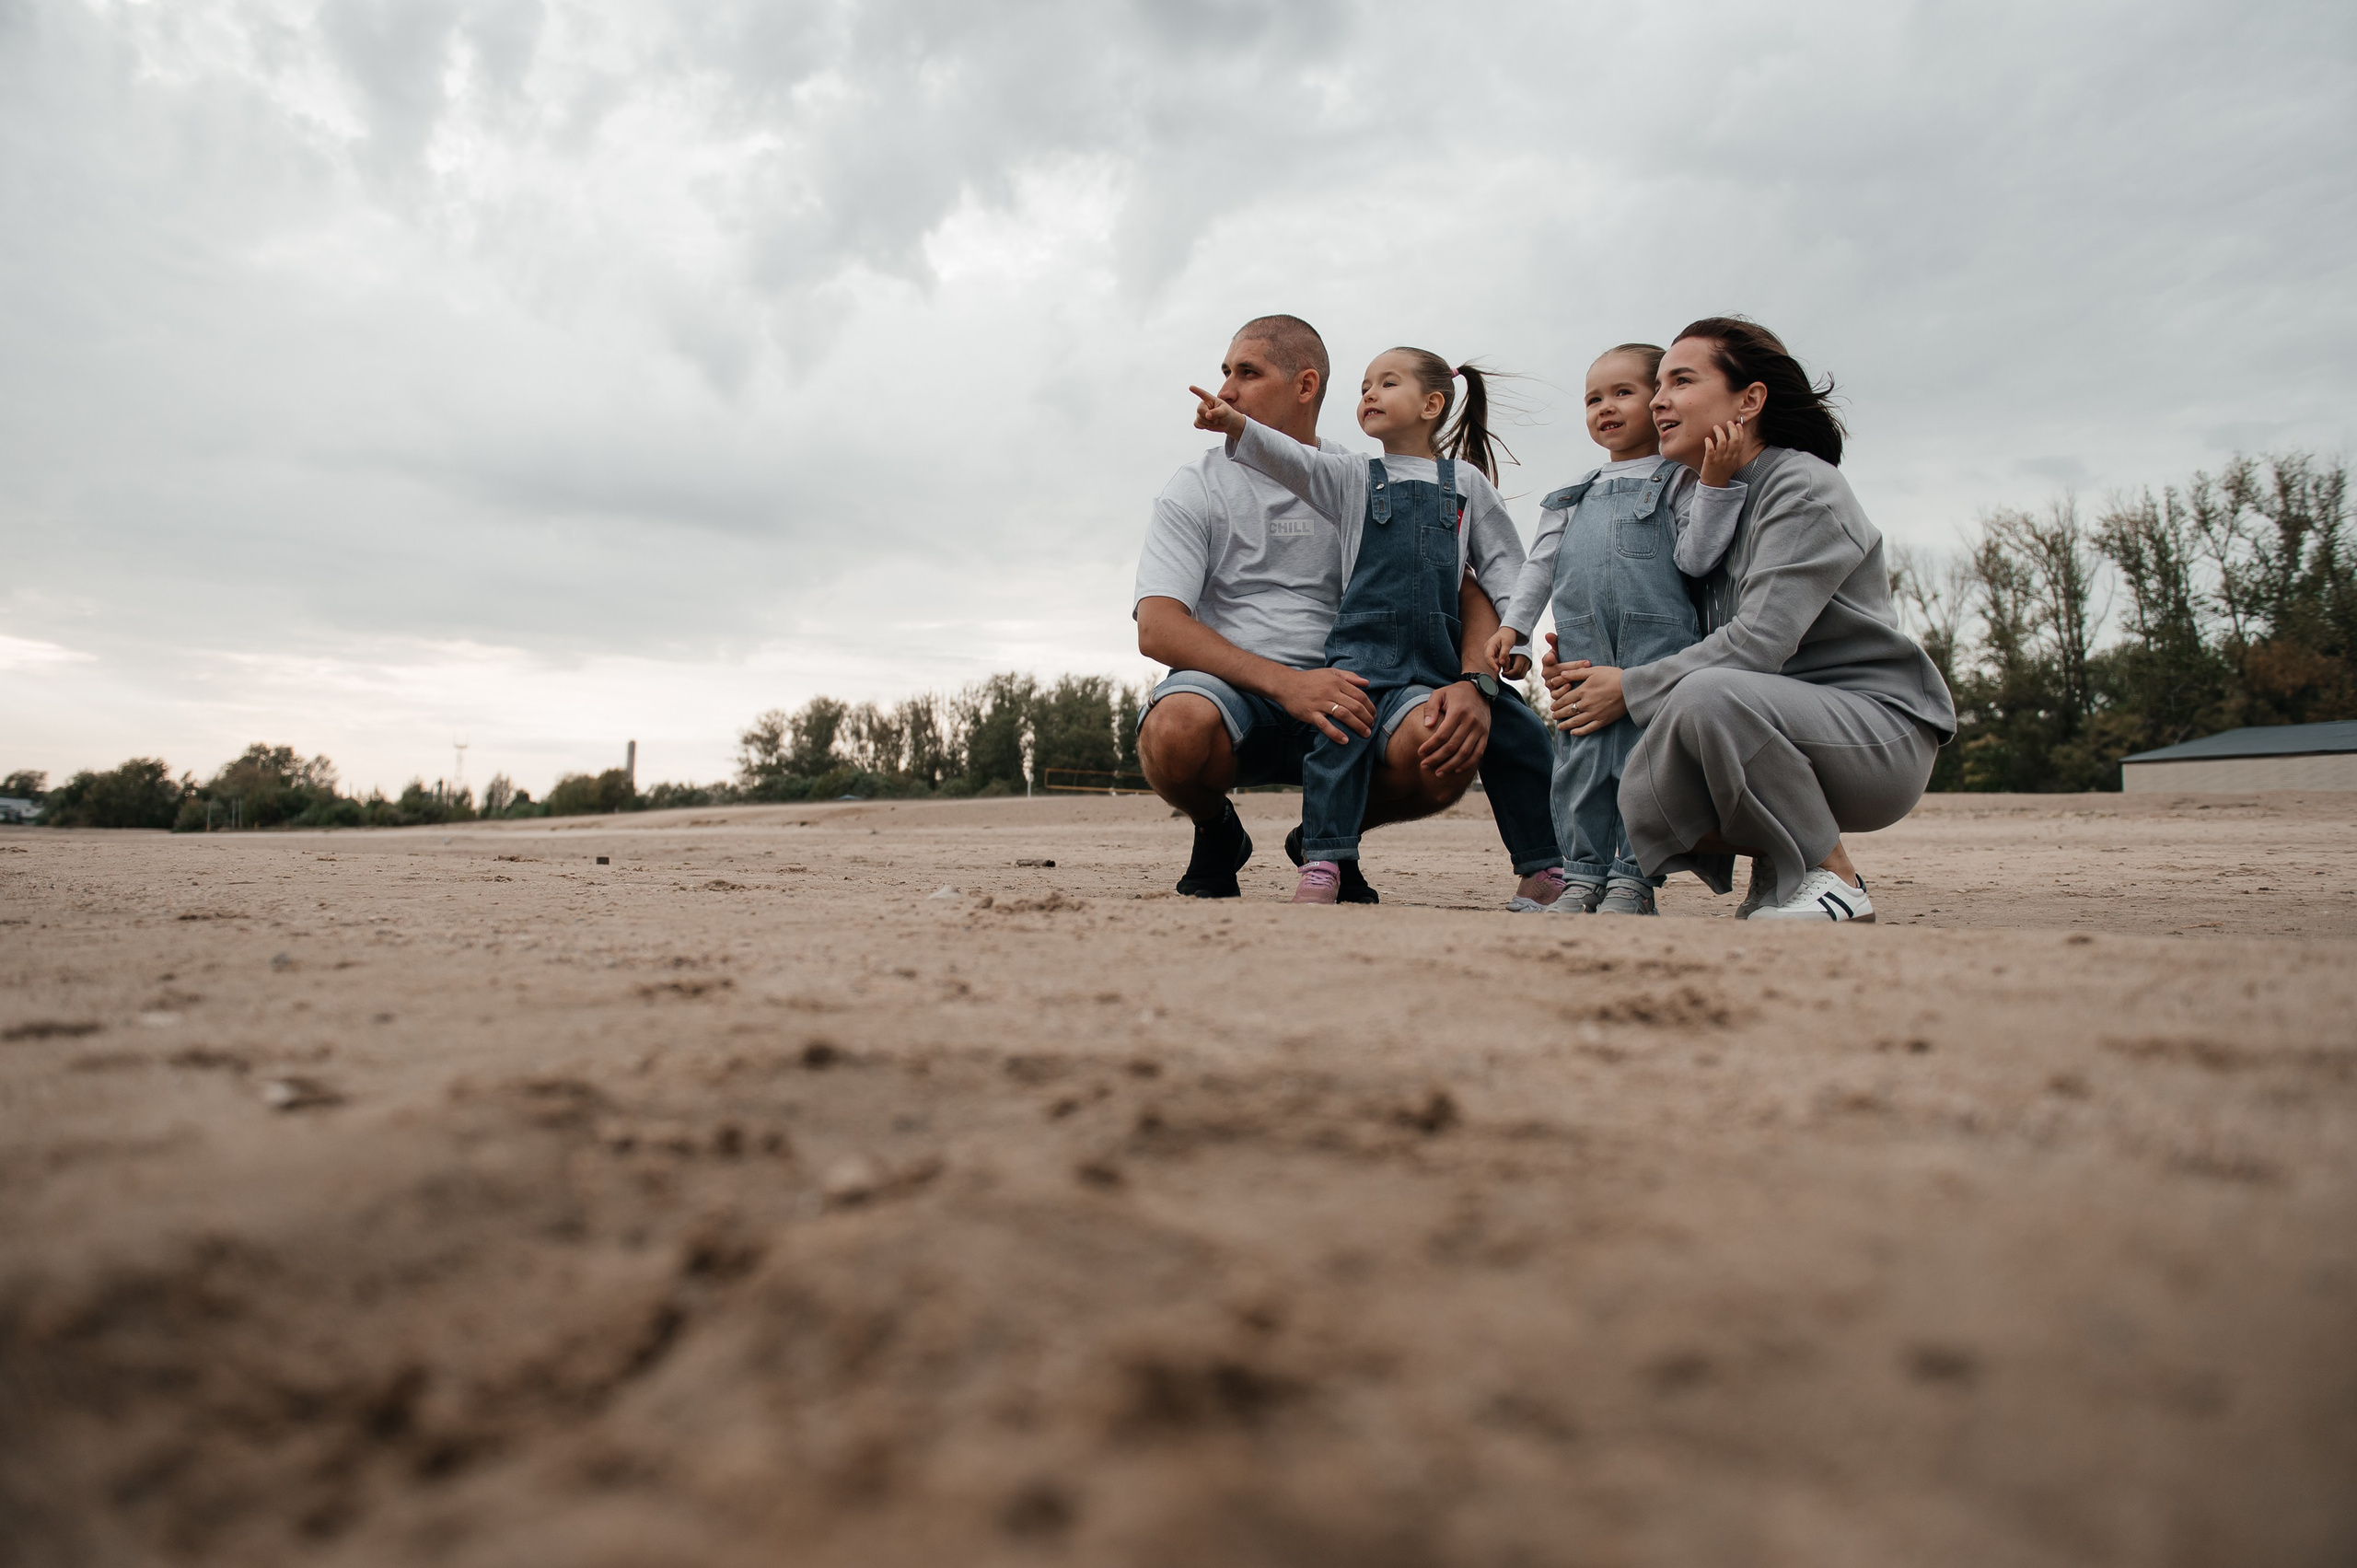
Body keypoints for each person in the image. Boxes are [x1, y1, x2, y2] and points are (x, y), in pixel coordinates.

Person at [1544, 318, 1956, 922]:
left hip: (1874, 734)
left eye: (1681, 381)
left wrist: (1628, 688)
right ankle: (1783, 873)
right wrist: (1584, 666)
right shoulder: (1699, 498)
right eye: (1656, 385)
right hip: (1764, 721)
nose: (1659, 400)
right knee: (1642, 788)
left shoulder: (1803, 486)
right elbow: (1658, 617)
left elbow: (1758, 644)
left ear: (1750, 399)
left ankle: (1834, 876)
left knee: (1709, 694)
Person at [1134, 316, 1511, 902]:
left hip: (1363, 691)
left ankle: (1327, 839)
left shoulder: (1369, 481)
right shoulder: (1196, 485)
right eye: (1226, 373)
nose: (1227, 390)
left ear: (1305, 387)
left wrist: (1476, 684)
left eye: (1248, 373)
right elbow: (1158, 627)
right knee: (1174, 730)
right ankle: (1215, 829)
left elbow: (1467, 587)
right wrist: (1288, 684)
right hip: (1239, 693)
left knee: (1446, 744)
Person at [1192, 347, 1566, 906]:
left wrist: (1515, 634)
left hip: (1442, 662)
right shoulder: (1348, 477)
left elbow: (1504, 567)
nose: (1368, 394)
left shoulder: (1467, 483)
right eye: (1365, 385)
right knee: (1339, 737)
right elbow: (1292, 459)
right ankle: (1323, 861)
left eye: (1387, 383)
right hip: (1364, 655)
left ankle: (1542, 867)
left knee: (1524, 734)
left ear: (1432, 404)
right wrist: (1236, 424)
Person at [1485, 343, 1747, 917]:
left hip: (1655, 655)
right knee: (1579, 761)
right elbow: (1539, 567)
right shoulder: (1569, 496)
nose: (1605, 407)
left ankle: (1632, 878)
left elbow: (1699, 558)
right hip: (1581, 648)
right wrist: (1516, 629)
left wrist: (1717, 485)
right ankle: (1580, 876)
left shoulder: (1681, 480)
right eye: (1593, 398)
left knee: (1643, 766)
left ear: (1658, 402)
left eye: (1622, 392)